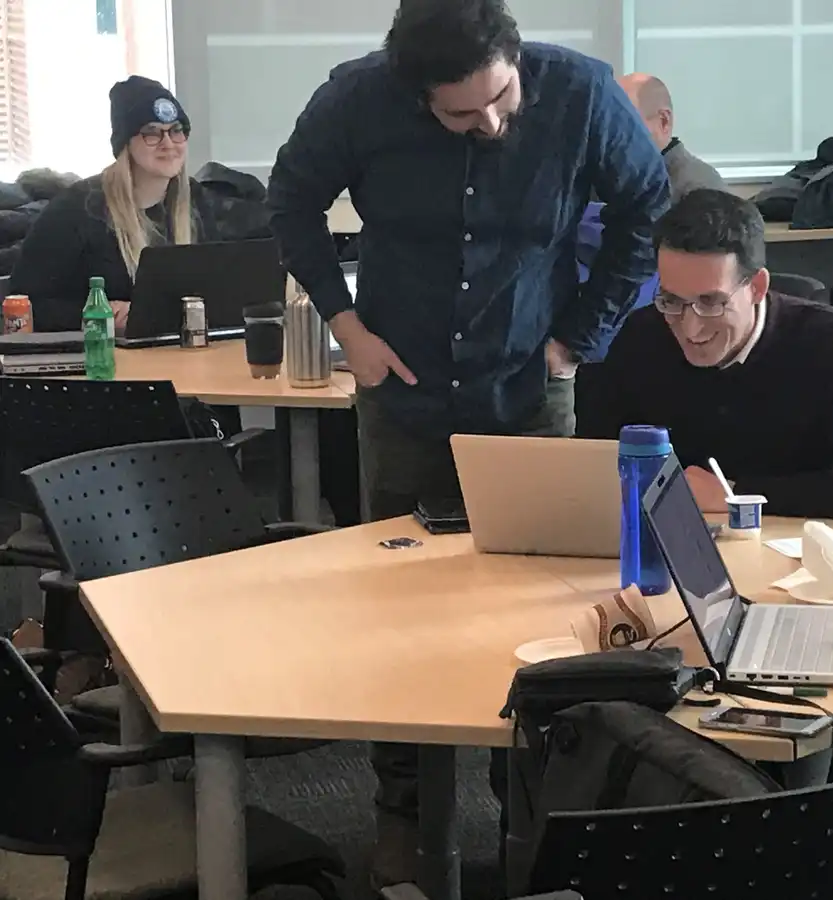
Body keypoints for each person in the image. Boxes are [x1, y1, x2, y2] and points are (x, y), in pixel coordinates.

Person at [266, 0, 669, 886]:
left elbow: (647, 206)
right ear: (417, 98)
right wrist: (345, 326)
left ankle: (526, 812)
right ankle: (403, 815)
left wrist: (578, 336)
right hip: (402, 393)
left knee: (535, 609)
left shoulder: (582, 93)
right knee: (399, 610)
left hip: (529, 386)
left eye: (501, 98)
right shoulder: (357, 99)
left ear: (517, 58)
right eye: (461, 113)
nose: (489, 122)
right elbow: (289, 199)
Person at [577, 189, 833, 521]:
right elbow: (591, 464)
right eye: (672, 301)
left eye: (711, 302)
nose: (690, 328)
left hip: (801, 554)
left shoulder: (829, 341)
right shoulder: (641, 336)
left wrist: (737, 496)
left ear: (757, 287)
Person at [10, 76, 268, 333]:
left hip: (183, 355)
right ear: (126, 144)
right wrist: (98, 315)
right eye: (151, 133)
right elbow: (23, 307)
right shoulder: (76, 211)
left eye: (176, 130)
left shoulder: (198, 203)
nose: (168, 144)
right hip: (106, 362)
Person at [618, 73, 727, 203]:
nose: (613, 133)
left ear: (664, 121)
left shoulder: (699, 188)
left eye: (624, 123)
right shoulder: (618, 176)